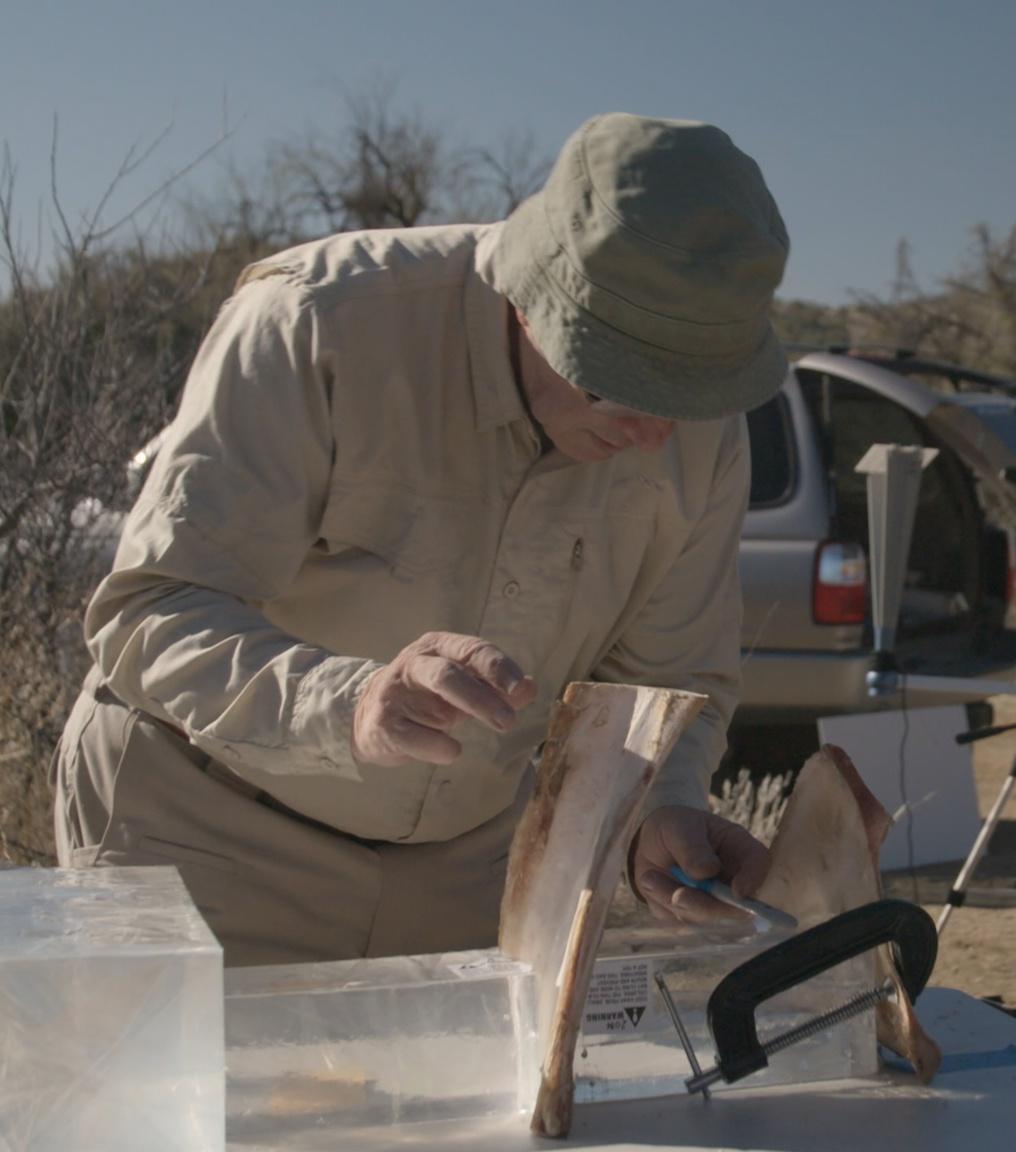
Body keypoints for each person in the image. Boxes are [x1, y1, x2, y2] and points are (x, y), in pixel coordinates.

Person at [52, 113, 791, 966]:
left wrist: (662, 803)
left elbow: (671, 677)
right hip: (205, 837)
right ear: (525, 299)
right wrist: (348, 701)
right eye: (618, 386)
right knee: (187, 1103)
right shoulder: (319, 322)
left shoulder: (698, 428)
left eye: (685, 396)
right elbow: (151, 613)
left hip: (467, 869)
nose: (656, 434)